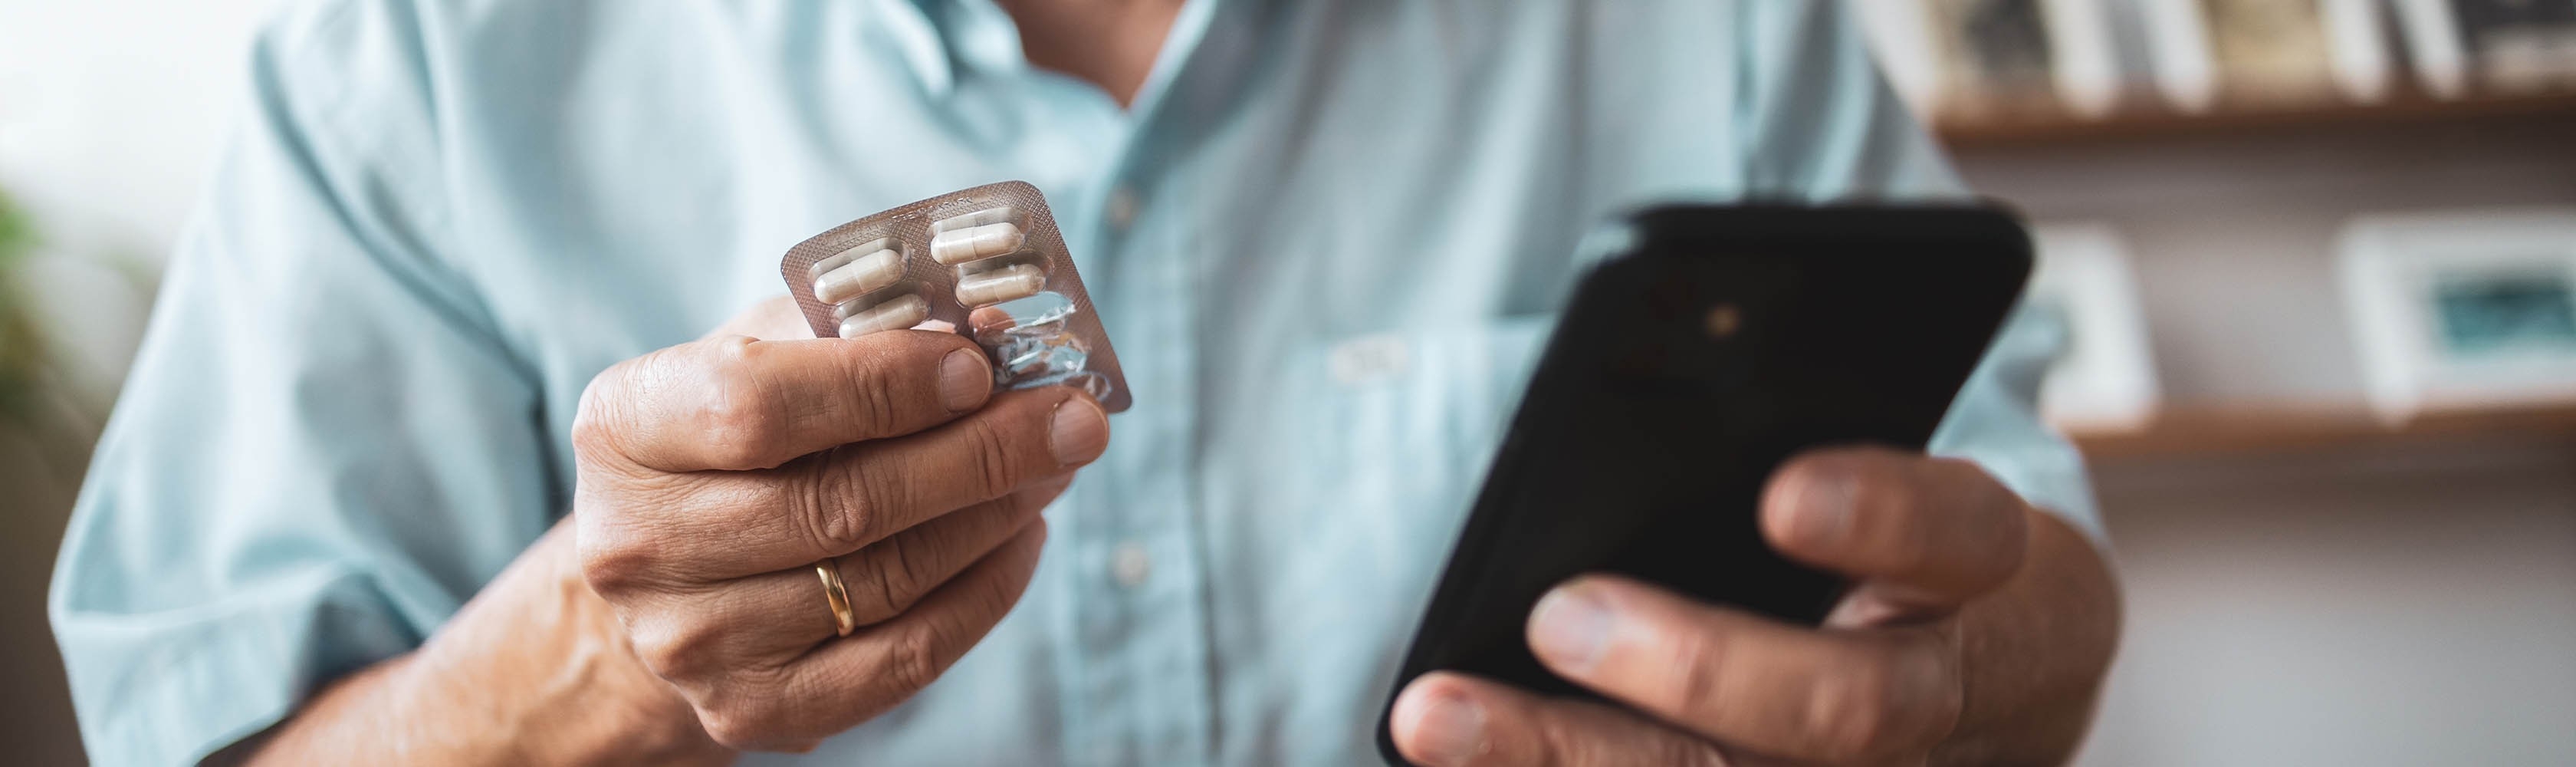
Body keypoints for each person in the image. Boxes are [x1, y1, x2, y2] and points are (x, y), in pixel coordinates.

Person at [48, 1, 2122, 765]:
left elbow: (2042, 578)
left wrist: (1950, 682)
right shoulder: (412, 60)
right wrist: (584, 666)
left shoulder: (1707, 27)